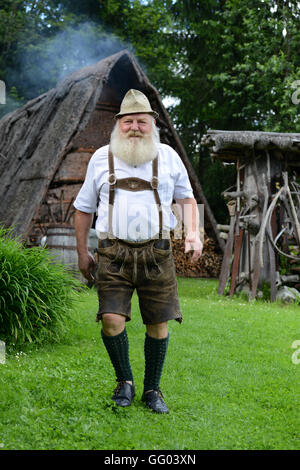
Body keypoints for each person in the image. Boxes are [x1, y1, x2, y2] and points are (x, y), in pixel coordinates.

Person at [74, 89, 203, 414]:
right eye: (128, 121)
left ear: (152, 124)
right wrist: (81, 253)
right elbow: (83, 209)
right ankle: (125, 382)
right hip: (112, 253)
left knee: (158, 324)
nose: (134, 127)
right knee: (111, 321)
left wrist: (194, 234)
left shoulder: (169, 157)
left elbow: (187, 200)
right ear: (119, 124)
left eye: (141, 121)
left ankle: (152, 390)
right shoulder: (100, 158)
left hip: (157, 254)